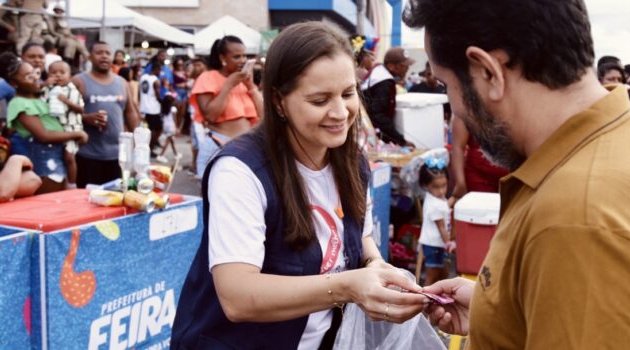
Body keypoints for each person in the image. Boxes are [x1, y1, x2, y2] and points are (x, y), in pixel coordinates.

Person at [403, 1, 630, 348]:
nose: (454, 106)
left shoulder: (578, 217)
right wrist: (497, 311)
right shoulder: (625, 136)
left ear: (489, 71)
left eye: (447, 85)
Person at [171, 22, 427, 349]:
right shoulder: (239, 171)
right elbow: (237, 296)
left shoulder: (352, 161)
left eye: (348, 94)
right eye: (320, 100)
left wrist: (376, 267)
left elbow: (358, 236)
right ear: (279, 101)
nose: (340, 112)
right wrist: (349, 286)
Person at [0, 54, 88, 193]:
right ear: (14, 83)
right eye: (28, 76)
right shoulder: (19, 104)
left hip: (55, 161)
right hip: (42, 167)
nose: (35, 77)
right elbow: (44, 135)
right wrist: (76, 133)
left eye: (35, 73)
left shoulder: (39, 97)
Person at [190, 35, 262, 176]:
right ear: (223, 58)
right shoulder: (208, 77)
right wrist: (228, 84)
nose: (242, 60)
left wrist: (251, 87)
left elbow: (264, 115)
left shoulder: (243, 81)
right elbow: (210, 115)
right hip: (219, 146)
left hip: (247, 149)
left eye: (244, 56)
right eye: (236, 57)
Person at [71, 41, 140, 189]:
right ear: (90, 57)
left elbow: (130, 113)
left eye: (108, 53)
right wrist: (85, 118)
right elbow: (64, 115)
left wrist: (138, 145)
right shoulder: (78, 81)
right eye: (99, 53)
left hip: (118, 156)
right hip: (87, 155)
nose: (104, 56)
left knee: (116, 201)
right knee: (88, 203)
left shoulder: (121, 82)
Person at [448, 116, 508, 207]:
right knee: (481, 215)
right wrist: (460, 182)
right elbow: (457, 147)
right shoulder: (467, 107)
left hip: (512, 175)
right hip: (478, 177)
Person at [0, 42, 47, 127]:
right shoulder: (10, 82)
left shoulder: (51, 77)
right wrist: (0, 125)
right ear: (22, 57)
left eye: (41, 57)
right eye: (32, 56)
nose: (37, 60)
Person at [361, 47, 416, 147]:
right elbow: (379, 117)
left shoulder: (378, 72)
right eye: (404, 66)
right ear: (391, 66)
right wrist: (401, 140)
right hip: (369, 136)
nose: (407, 69)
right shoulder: (384, 82)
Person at [417, 160, 455, 286]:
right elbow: (441, 227)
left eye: (444, 186)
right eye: (436, 187)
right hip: (434, 245)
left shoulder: (435, 197)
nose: (441, 191)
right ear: (425, 185)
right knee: (432, 276)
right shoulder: (434, 204)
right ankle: (424, 300)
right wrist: (448, 243)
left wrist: (454, 198)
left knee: (440, 273)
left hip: (435, 244)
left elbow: (444, 208)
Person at [47, 60, 84, 187]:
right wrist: (45, 86)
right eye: (53, 73)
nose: (58, 75)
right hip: (54, 129)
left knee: (69, 156)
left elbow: (80, 109)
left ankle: (72, 184)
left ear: (69, 75)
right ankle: (61, 182)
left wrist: (66, 101)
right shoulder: (49, 89)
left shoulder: (72, 91)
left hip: (71, 128)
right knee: (57, 156)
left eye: (62, 72)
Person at [139, 63, 162, 156]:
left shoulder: (143, 77)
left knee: (146, 129)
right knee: (156, 129)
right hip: (153, 109)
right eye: (160, 70)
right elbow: (157, 95)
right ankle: (150, 149)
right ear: (156, 69)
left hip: (144, 107)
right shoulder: (156, 80)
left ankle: (146, 147)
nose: (160, 72)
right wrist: (162, 101)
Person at [156, 95, 177, 164]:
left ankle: (176, 154)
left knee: (171, 140)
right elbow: (175, 119)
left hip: (165, 126)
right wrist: (176, 127)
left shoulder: (163, 108)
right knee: (167, 141)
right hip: (171, 126)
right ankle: (160, 155)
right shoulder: (173, 109)